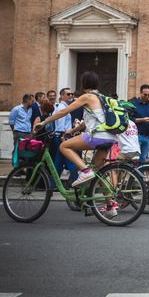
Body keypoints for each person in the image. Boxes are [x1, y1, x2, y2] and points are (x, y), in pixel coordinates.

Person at [34, 72, 118, 205]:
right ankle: (110, 205)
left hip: (97, 136)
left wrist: (44, 122)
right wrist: (73, 131)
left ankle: (85, 171)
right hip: (110, 137)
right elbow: (87, 122)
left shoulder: (88, 97)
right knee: (98, 173)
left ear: (83, 84)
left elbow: (64, 111)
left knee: (64, 146)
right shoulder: (102, 97)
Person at [131, 84, 149, 164]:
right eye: (145, 94)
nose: (147, 96)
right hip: (136, 136)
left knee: (143, 161)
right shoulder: (133, 104)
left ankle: (139, 176)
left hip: (147, 137)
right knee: (134, 160)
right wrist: (143, 119)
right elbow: (130, 120)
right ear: (140, 93)